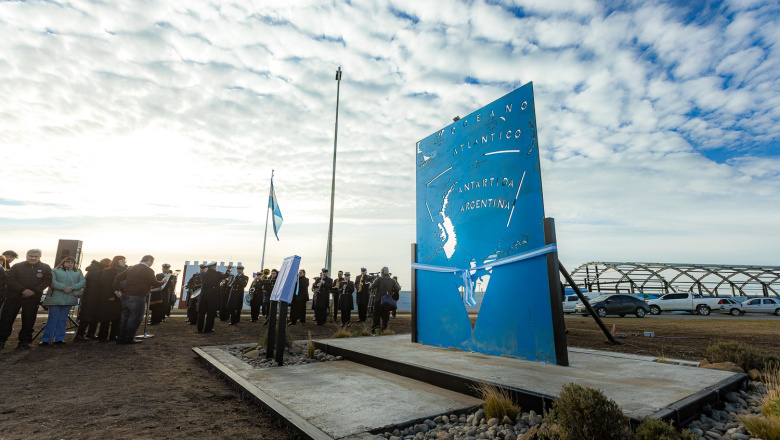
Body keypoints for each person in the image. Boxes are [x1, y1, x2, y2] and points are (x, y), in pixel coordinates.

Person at [0, 249, 53, 350]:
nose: (33, 258)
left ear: (39, 257)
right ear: (26, 256)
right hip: (14, 298)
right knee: (6, 320)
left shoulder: (45, 267)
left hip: (32, 299)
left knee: (29, 321)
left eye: (35, 256)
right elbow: (10, 280)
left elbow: (47, 280)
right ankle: (1, 340)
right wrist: (23, 290)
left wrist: (34, 291)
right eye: (31, 256)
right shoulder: (17, 266)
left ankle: (24, 342)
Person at [113, 255, 164, 345]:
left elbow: (117, 278)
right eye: (152, 262)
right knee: (135, 318)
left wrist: (116, 290)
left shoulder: (131, 268)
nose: (152, 264)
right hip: (138, 296)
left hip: (127, 295)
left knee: (125, 317)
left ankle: (120, 338)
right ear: (149, 261)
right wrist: (162, 282)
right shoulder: (148, 270)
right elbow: (154, 283)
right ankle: (128, 339)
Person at [40, 256, 86, 345]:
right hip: (55, 299)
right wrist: (64, 288)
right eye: (67, 261)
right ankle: (46, 339)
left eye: (71, 262)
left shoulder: (78, 272)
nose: (69, 263)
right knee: (52, 319)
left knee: (63, 319)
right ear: (63, 262)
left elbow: (83, 282)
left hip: (69, 298)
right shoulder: (55, 271)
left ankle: (59, 338)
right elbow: (52, 282)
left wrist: (72, 288)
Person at [75, 258, 110, 341]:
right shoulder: (100, 272)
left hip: (89, 295)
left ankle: (85, 333)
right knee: (90, 316)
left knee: (89, 315)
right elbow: (102, 283)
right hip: (94, 296)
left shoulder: (92, 270)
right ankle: (83, 334)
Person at [95, 256, 127, 341]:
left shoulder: (124, 272)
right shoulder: (108, 271)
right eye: (122, 261)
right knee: (106, 317)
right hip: (109, 297)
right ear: (116, 261)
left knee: (117, 317)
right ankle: (102, 336)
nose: (124, 262)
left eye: (124, 261)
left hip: (119, 297)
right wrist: (110, 295)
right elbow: (106, 284)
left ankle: (114, 335)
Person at [196, 261, 231, 333]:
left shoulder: (203, 274)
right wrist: (228, 270)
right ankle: (208, 329)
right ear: (214, 267)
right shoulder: (217, 274)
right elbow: (225, 276)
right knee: (210, 314)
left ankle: (199, 329)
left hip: (203, 296)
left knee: (201, 313)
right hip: (212, 297)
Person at [369, 266, 401, 334]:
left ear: (382, 272)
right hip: (387, 301)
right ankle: (384, 330)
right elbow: (398, 288)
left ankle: (374, 331)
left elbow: (372, 286)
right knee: (385, 316)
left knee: (376, 316)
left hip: (378, 300)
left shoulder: (378, 279)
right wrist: (392, 291)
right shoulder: (392, 280)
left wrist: (371, 283)